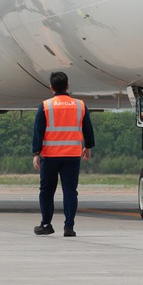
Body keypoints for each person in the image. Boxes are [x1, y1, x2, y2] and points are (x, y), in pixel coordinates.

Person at [32, 71, 94, 237]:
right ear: (68, 86)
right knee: (70, 191)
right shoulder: (80, 105)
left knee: (46, 191)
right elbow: (88, 128)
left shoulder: (45, 106)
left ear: (51, 88)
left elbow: (38, 131)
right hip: (72, 156)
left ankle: (46, 224)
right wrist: (88, 147)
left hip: (50, 155)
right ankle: (69, 227)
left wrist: (36, 153)